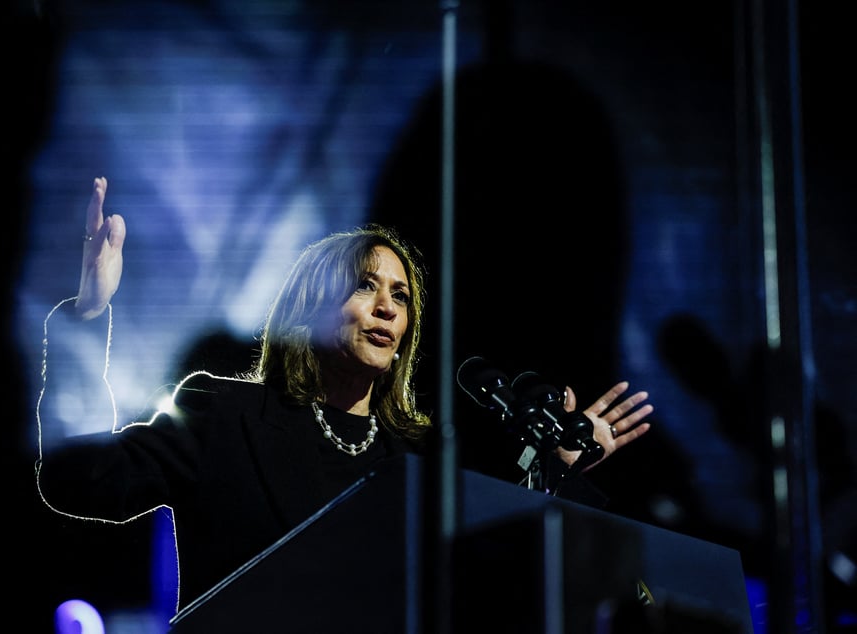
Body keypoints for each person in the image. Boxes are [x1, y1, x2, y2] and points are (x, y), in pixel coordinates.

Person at [36, 176, 653, 617]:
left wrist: (556, 473)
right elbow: (74, 479)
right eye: (365, 286)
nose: (387, 306)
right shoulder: (222, 416)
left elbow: (495, 588)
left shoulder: (423, 459)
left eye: (401, 296)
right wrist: (86, 320)